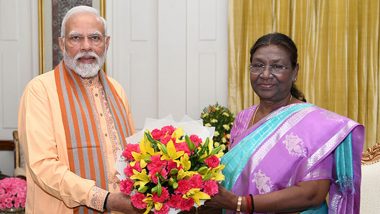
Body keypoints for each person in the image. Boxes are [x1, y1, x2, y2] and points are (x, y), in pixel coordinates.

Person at [204, 32, 364, 213]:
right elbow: (234, 179)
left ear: (295, 72)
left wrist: (240, 203)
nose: (265, 74)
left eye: (277, 66)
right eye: (257, 65)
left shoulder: (316, 125)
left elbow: (312, 194)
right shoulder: (243, 118)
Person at [18, 6, 139, 213]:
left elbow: (132, 154)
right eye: (75, 38)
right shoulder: (40, 90)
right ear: (62, 43)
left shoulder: (117, 90)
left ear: (106, 43)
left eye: (95, 38)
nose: (86, 46)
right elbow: (43, 167)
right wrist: (104, 200)